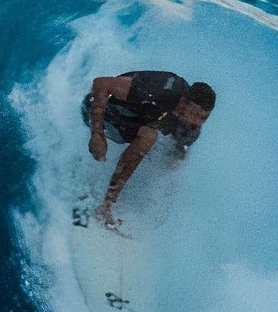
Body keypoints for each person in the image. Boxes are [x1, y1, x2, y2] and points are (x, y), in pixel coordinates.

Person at [81, 70, 216, 223]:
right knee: (149, 137)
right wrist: (96, 133)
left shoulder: (190, 130)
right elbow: (101, 83)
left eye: (203, 118)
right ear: (184, 103)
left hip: (127, 126)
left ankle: (118, 204)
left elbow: (174, 162)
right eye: (195, 115)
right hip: (97, 110)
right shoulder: (161, 89)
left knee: (165, 157)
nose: (197, 123)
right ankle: (107, 205)